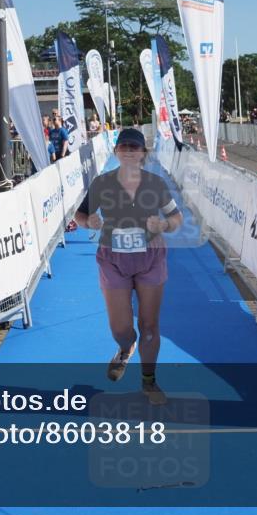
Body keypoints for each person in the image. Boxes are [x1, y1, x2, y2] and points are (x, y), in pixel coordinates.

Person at [73, 128, 184, 405]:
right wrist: (89, 222)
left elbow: (176, 218)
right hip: (113, 260)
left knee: (149, 326)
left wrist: (165, 225)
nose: (129, 151)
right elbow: (80, 213)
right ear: (116, 152)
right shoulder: (102, 183)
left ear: (143, 154)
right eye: (124, 147)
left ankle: (149, 381)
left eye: (134, 147)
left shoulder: (155, 183)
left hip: (150, 258)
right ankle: (125, 347)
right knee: (121, 329)